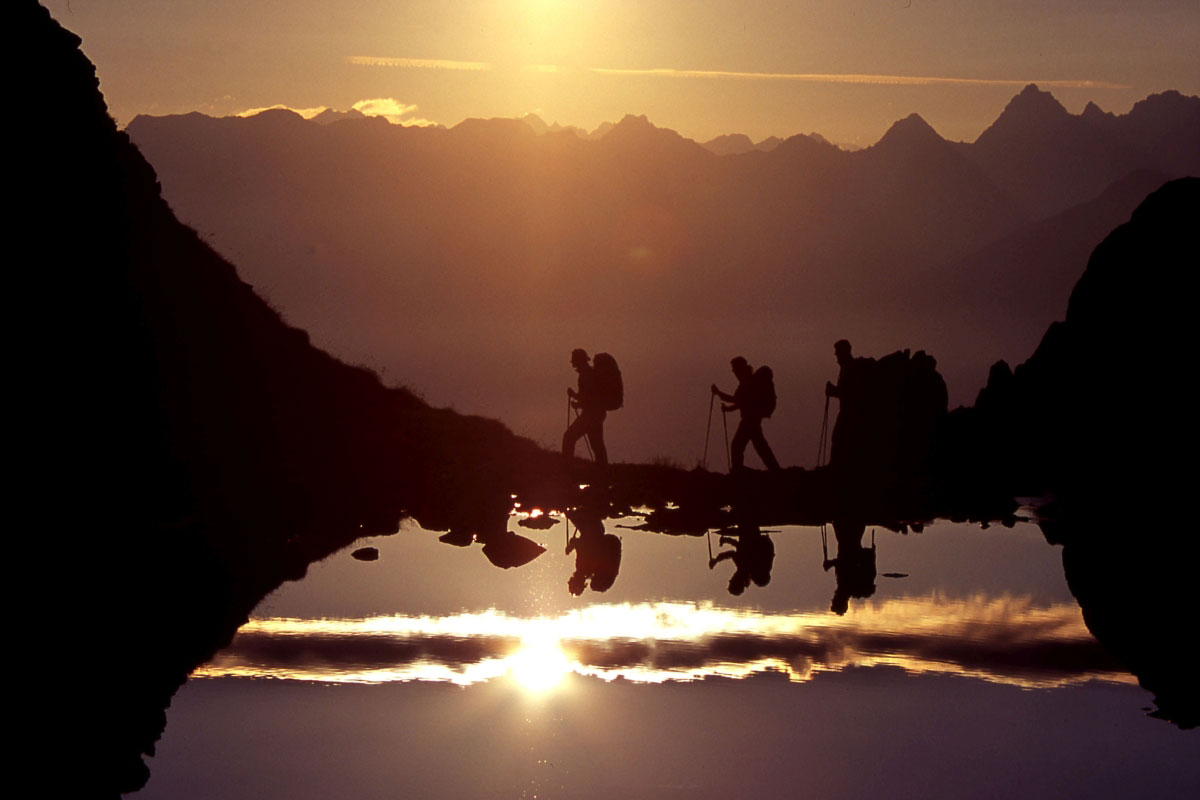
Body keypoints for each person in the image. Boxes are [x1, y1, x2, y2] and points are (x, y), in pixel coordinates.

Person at [712, 356, 781, 472]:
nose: (734, 373)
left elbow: (736, 400)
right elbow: (742, 402)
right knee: (760, 446)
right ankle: (775, 470)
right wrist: (728, 409)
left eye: (735, 370)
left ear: (740, 368)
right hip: (752, 419)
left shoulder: (748, 382)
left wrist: (719, 393)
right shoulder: (748, 381)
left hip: (750, 420)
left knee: (738, 446)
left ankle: (738, 471)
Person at [562, 348, 608, 466]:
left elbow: (586, 398)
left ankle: (568, 467)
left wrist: (573, 395)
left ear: (578, 361)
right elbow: (590, 399)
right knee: (597, 444)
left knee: (568, 437)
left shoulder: (585, 375)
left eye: (574, 362)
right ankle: (603, 471)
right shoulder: (590, 373)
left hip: (590, 416)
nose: (573, 365)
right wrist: (578, 403)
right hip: (597, 414)